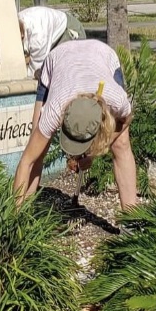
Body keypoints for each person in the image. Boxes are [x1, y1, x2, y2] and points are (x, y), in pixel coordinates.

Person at [12, 38, 137, 210]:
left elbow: (126, 120)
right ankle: (22, 214)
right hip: (58, 60)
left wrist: (93, 154)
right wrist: (12, 218)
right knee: (37, 149)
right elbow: (26, 162)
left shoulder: (116, 99)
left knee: (121, 143)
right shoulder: (55, 109)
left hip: (101, 55)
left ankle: (132, 222)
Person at [17, 5, 85, 79]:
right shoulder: (15, 21)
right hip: (50, 28)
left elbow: (34, 71)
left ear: (22, 35)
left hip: (70, 31)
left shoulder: (38, 38)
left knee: (60, 75)